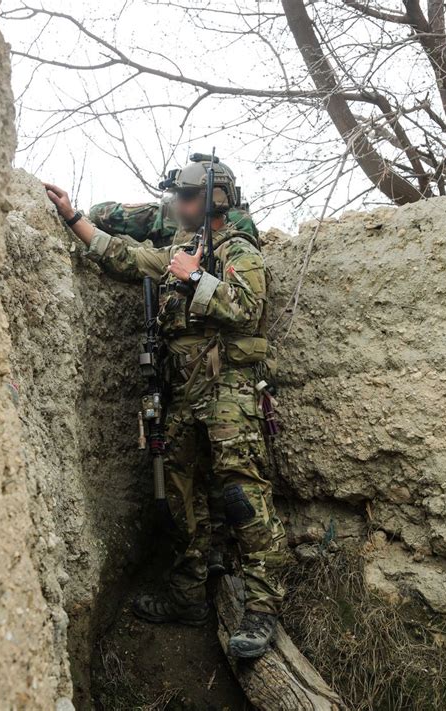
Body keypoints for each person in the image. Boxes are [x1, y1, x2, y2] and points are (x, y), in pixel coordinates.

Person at [44, 154, 288, 659]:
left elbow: (249, 310)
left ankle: (263, 611)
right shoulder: (179, 248)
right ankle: (187, 599)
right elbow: (127, 258)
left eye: (188, 195)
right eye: (178, 194)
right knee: (180, 499)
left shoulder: (239, 250)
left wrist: (198, 278)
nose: (179, 203)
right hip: (184, 397)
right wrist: (74, 219)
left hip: (230, 398)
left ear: (214, 199)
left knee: (244, 501)